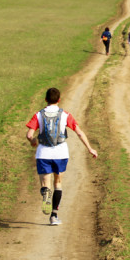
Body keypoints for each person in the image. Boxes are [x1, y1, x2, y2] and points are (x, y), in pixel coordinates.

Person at [25, 87, 98, 226]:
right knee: (57, 183)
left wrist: (32, 141)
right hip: (61, 153)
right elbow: (79, 132)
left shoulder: (38, 115)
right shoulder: (65, 115)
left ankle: (46, 193)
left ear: (45, 99)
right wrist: (90, 148)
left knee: (45, 184)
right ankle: (53, 216)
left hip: (43, 153)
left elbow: (29, 134)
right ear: (59, 100)